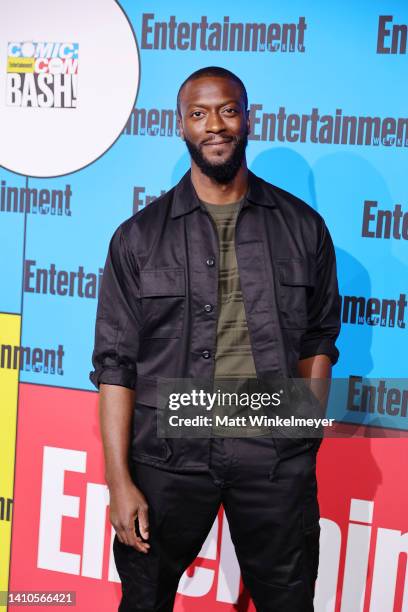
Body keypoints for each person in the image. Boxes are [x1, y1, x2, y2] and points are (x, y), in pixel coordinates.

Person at [90, 66, 341, 611]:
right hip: (167, 454)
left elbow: (320, 338)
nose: (215, 125)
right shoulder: (138, 238)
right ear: (180, 125)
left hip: (272, 453)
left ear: (247, 118)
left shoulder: (304, 227)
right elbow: (115, 366)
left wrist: (301, 431)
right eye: (198, 113)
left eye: (227, 110)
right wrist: (119, 482)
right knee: (144, 600)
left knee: (288, 600)